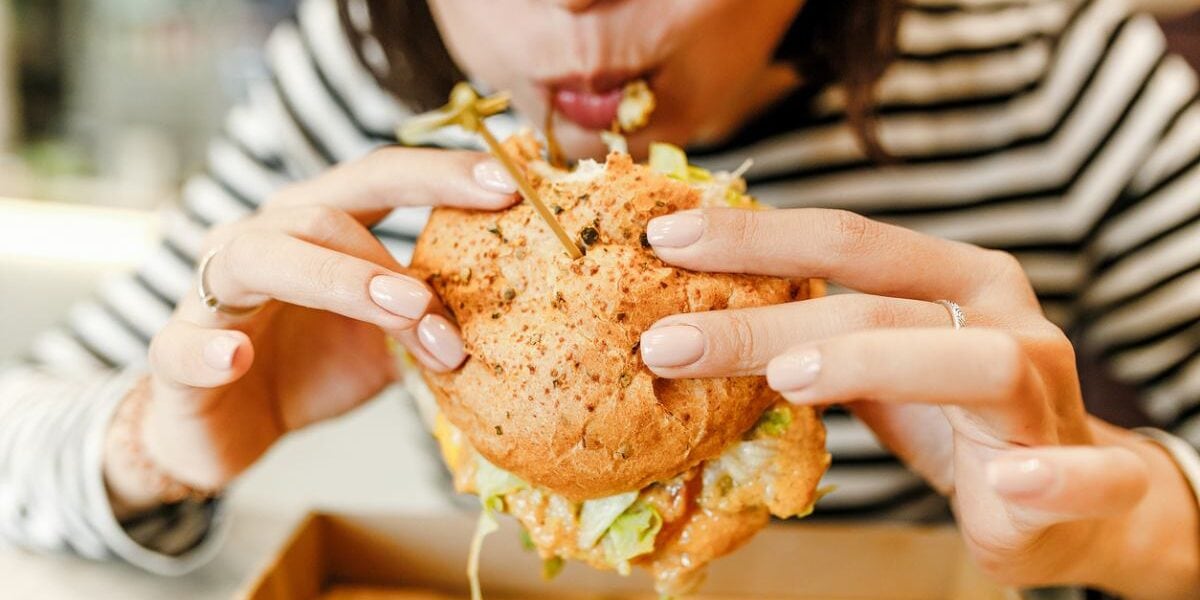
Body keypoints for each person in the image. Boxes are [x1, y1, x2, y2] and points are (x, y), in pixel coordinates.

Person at [2, 0, 1199, 597]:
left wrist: (1131, 522)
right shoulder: (363, 82)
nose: (571, 4)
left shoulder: (1060, 73)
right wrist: (156, 441)